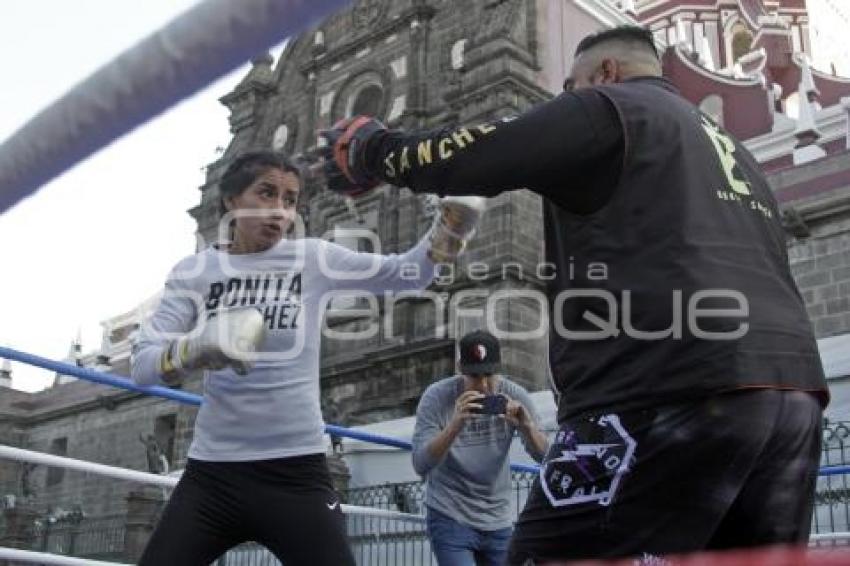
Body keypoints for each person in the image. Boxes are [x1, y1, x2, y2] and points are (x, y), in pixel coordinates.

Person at [319, 26, 828, 563]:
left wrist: (374, 150)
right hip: (792, 400)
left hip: (658, 391)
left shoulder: (609, 106)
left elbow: (479, 154)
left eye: (570, 86)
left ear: (605, 73)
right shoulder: (734, 152)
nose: (567, 100)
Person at [130, 150, 483, 565]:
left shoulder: (312, 258)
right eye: (265, 193)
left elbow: (407, 273)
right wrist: (192, 350)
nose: (279, 210)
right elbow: (141, 367)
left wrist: (450, 229)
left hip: (296, 472)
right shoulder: (195, 272)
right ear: (230, 201)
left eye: (290, 199)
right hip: (212, 475)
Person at [412, 330, 548, 566]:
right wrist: (455, 425)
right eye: (475, 377)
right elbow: (421, 464)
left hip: (499, 520)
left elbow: (546, 458)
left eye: (489, 375)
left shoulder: (515, 396)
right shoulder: (436, 397)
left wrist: (527, 427)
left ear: (500, 370)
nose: (484, 386)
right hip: (450, 515)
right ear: (460, 369)